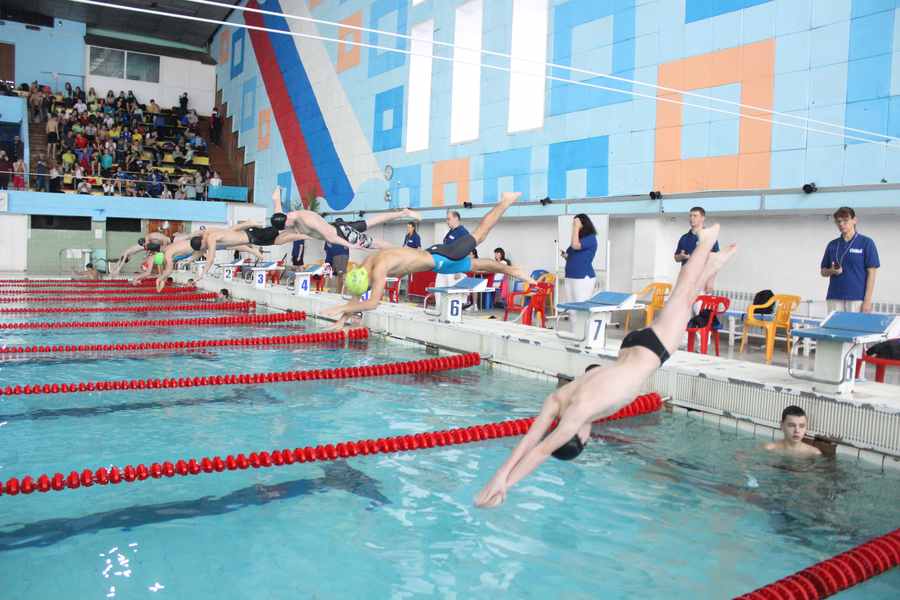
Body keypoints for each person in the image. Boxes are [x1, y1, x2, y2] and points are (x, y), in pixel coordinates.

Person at [474, 225, 737, 508]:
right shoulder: (558, 401)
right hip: (630, 347)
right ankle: (710, 266)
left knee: (684, 296)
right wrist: (500, 474)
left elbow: (540, 451)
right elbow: (530, 440)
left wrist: (508, 484)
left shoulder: (577, 417)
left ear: (577, 437)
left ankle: (705, 245)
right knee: (685, 300)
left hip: (648, 351)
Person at [324, 192, 535, 328]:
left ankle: (506, 201)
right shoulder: (366, 264)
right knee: (477, 265)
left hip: (440, 258)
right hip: (437, 263)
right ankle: (512, 270)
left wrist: (341, 309)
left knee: (479, 235)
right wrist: (341, 321)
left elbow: (372, 302)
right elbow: (357, 295)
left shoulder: (379, 269)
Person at [272, 187, 418, 251]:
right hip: (339, 227)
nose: (287, 229)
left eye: (286, 227)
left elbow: (332, 237)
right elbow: (276, 199)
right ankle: (402, 213)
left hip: (342, 233)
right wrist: (277, 191)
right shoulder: (284, 217)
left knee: (374, 244)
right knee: (371, 222)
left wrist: (351, 245)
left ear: (286, 220)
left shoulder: (308, 219)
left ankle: (404, 250)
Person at [819, 207, 879, 313]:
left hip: (856, 299)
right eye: (838, 221)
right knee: (834, 329)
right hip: (834, 297)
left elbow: (872, 273)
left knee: (855, 329)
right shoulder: (832, 245)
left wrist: (867, 301)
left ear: (854, 220)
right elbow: (823, 271)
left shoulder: (866, 243)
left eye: (845, 220)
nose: (841, 224)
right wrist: (832, 271)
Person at [675, 206, 720, 292]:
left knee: (699, 305)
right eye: (690, 216)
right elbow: (676, 258)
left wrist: (710, 282)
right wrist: (681, 256)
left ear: (703, 218)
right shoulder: (684, 237)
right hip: (685, 280)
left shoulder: (710, 237)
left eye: (695, 216)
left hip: (702, 280)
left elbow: (716, 261)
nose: (691, 218)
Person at [560, 214, 598, 302]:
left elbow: (575, 246)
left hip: (582, 277)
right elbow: (571, 256)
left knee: (580, 306)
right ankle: (572, 316)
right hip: (570, 276)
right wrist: (565, 255)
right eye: (573, 224)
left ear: (583, 224)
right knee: (571, 307)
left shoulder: (591, 238)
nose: (573, 225)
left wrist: (576, 227)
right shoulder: (578, 239)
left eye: (575, 223)